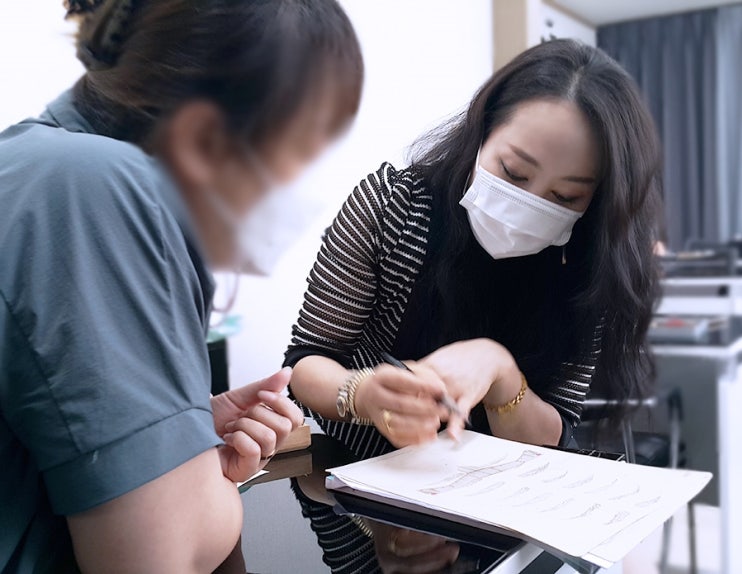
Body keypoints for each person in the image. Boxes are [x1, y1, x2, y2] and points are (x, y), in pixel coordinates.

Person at [0, 0, 362, 572]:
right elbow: (161, 558)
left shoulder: (36, 166)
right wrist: (197, 488)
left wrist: (179, 436)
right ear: (202, 138)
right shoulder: (93, 189)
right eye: (305, 150)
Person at [286, 39, 663, 461]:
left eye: (565, 197)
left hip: (500, 501)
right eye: (513, 172)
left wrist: (502, 374)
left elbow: (555, 430)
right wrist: (361, 394)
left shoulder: (591, 266)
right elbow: (307, 360)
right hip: (364, 485)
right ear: (482, 130)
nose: (529, 204)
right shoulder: (392, 209)